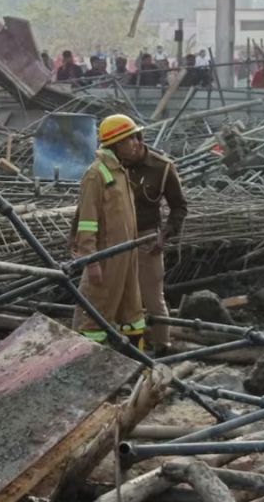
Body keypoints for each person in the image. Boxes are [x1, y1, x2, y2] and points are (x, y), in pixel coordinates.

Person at [71, 115, 147, 349]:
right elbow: (86, 223)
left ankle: (135, 365)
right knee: (94, 315)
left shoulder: (120, 172)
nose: (136, 142)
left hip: (126, 255)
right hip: (106, 258)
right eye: (131, 138)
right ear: (116, 142)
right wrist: (91, 261)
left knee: (132, 312)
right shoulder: (97, 174)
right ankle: (85, 366)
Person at [118, 125, 188, 354]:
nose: (119, 152)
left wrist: (164, 234)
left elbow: (179, 207)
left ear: (137, 141)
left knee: (153, 298)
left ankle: (162, 346)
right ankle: (126, 346)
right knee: (122, 297)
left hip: (147, 239)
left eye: (122, 145)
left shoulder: (162, 168)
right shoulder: (113, 165)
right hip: (117, 239)